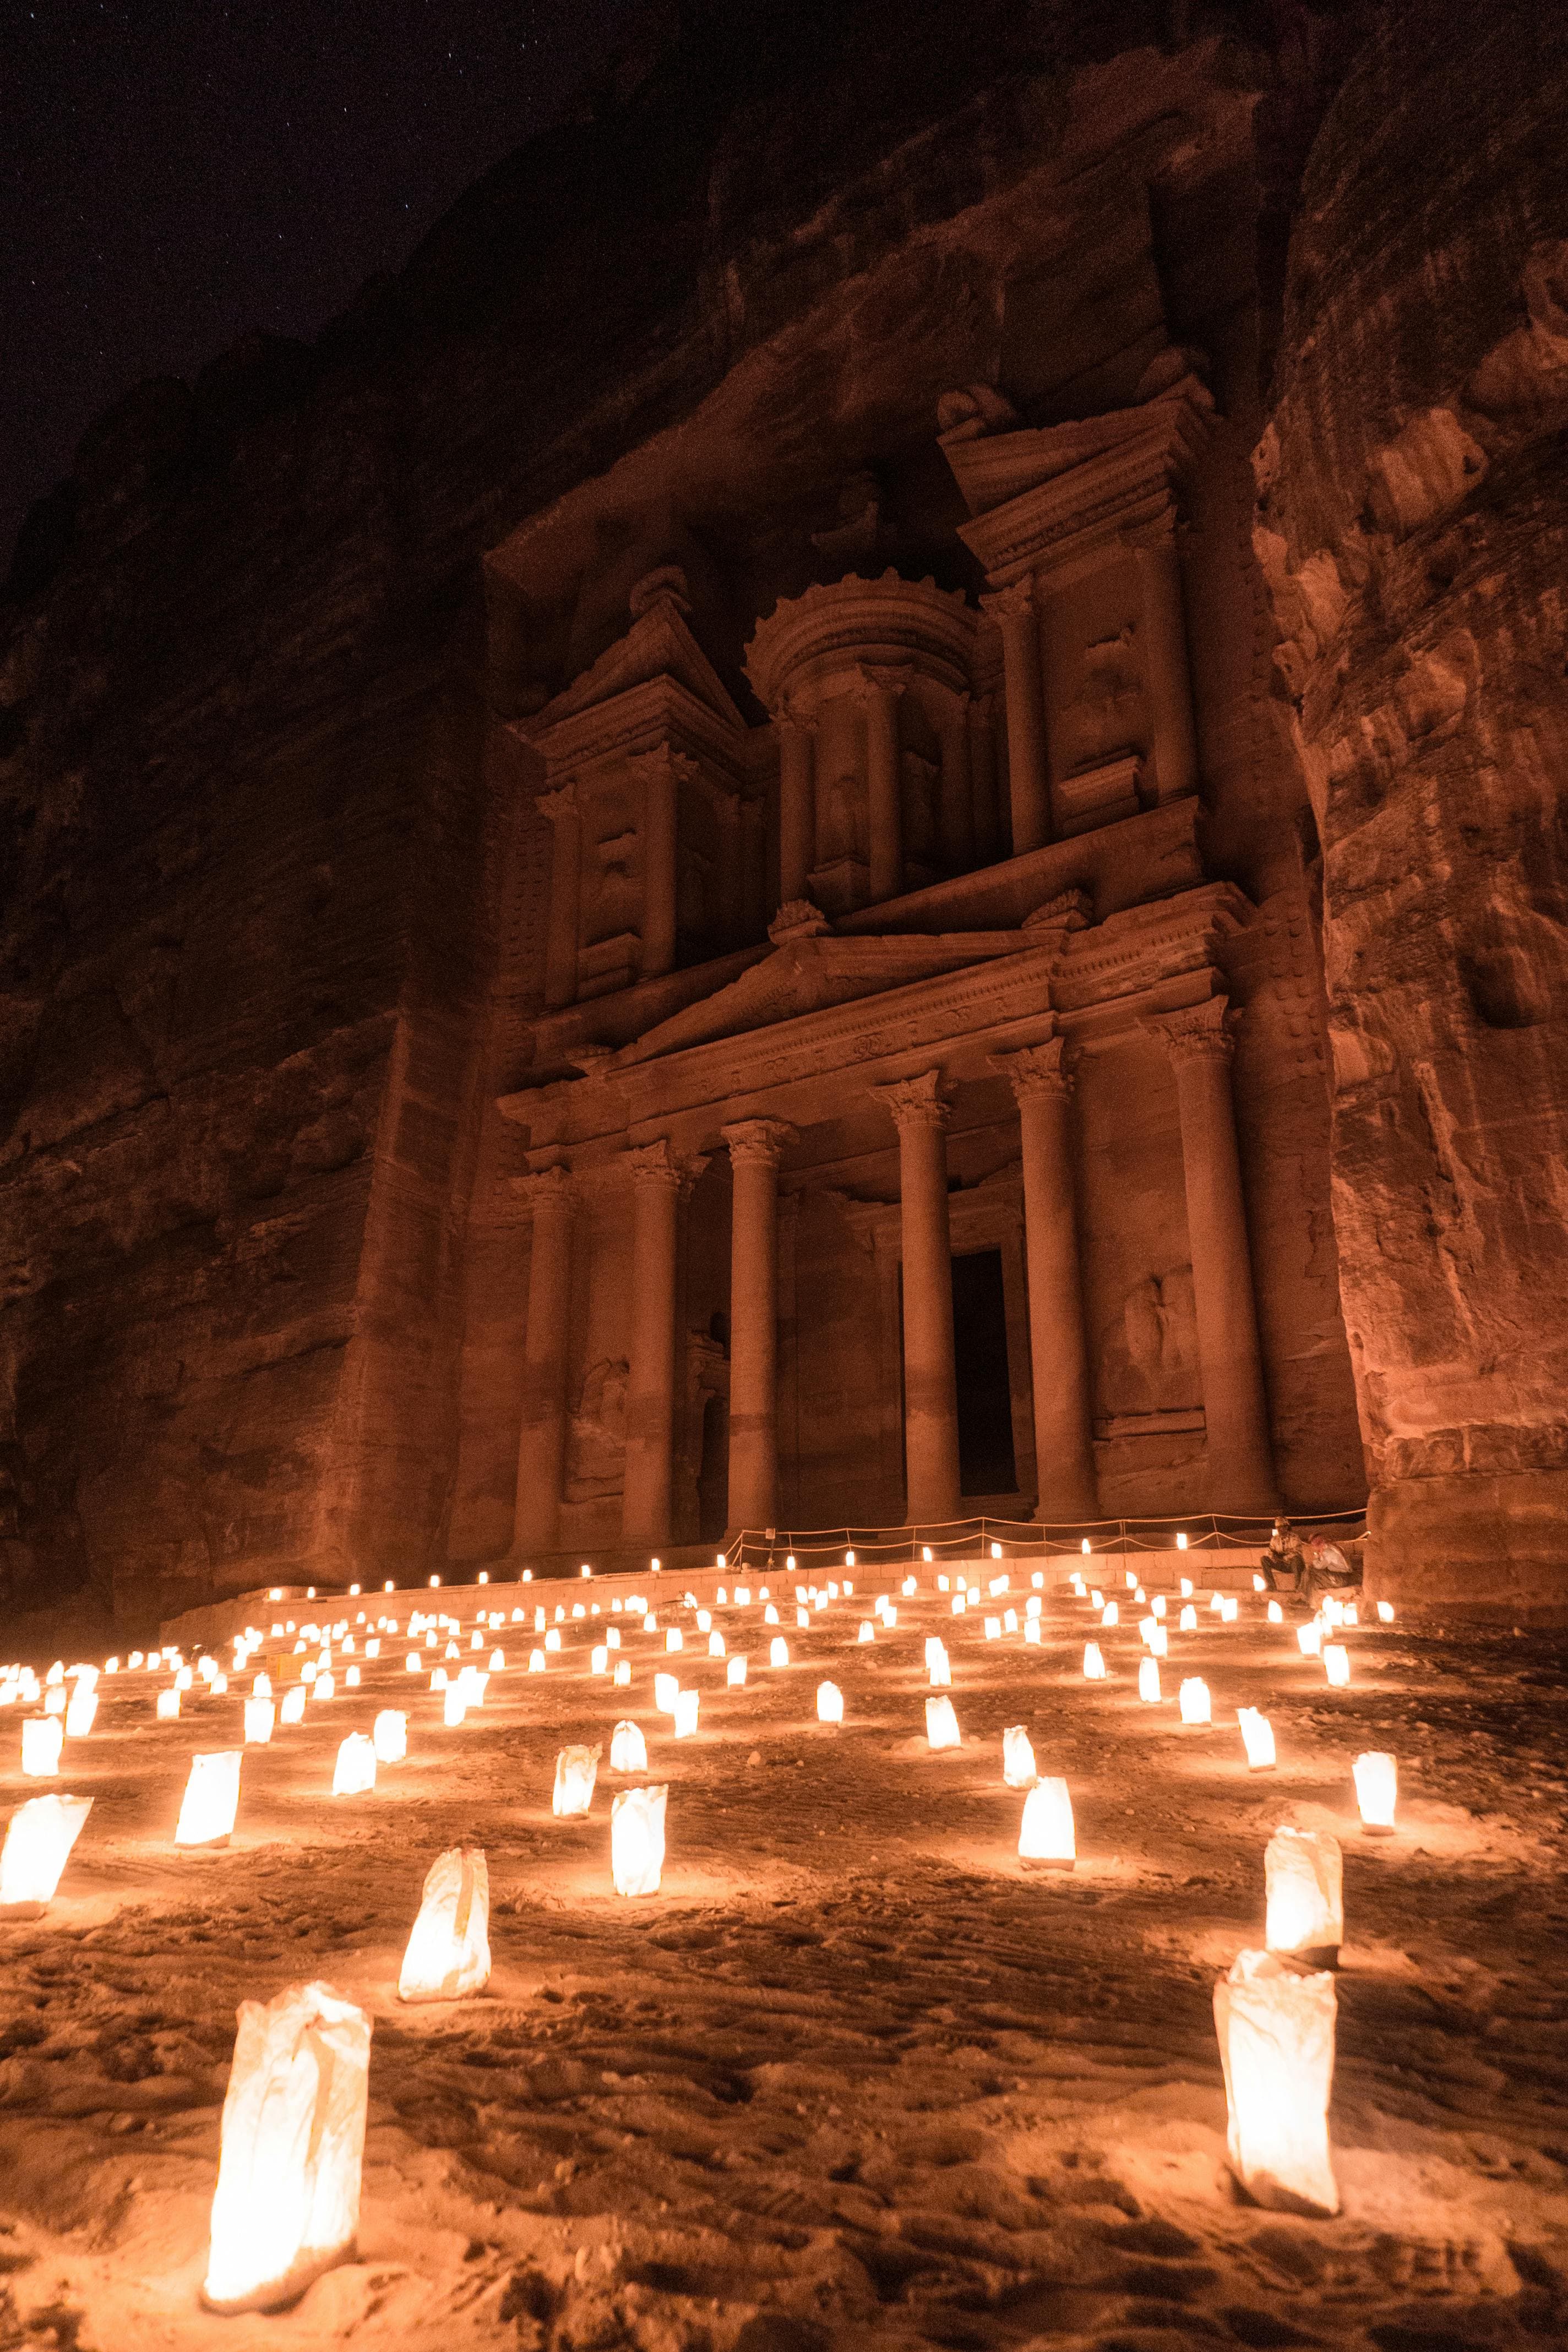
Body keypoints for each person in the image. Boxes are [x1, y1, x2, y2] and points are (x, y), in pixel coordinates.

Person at [1301, 1533, 1360, 1610]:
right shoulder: (1333, 1548)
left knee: (1311, 1570)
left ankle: (1305, 1599)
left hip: (1340, 1579)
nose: (1314, 1548)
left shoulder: (1328, 1552)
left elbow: (1319, 1566)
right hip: (1342, 1577)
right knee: (1312, 1579)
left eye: (1314, 1546)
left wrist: (1316, 1556)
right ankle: (1309, 1602)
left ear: (1320, 1544)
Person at [1260, 1517, 1304, 1594]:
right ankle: (1271, 1586)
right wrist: (1273, 1556)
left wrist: (1283, 1557)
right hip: (1282, 1564)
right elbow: (1270, 1550)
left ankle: (1299, 1587)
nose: (1279, 1530)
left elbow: (1297, 1552)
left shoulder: (1294, 1538)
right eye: (1278, 1528)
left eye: (1281, 1527)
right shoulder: (1275, 1539)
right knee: (1264, 1559)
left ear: (1286, 1527)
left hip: (1293, 1564)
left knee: (1296, 1559)